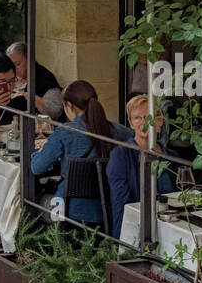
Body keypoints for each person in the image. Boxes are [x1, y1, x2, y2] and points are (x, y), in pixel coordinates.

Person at [30, 80, 133, 226]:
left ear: (69, 106)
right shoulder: (118, 131)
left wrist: (41, 150)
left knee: (33, 202)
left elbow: (36, 167)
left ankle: (50, 244)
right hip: (107, 208)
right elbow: (137, 140)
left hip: (66, 210)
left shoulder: (64, 132)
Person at [107, 95, 178, 238]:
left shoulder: (172, 157)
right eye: (137, 118)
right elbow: (121, 205)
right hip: (137, 230)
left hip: (171, 228)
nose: (143, 122)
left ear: (160, 121)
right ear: (131, 123)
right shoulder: (120, 156)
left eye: (148, 117)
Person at [7, 42, 62, 114]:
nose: (14, 69)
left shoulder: (45, 78)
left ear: (29, 60)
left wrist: (31, 97)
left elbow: (54, 111)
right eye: (10, 65)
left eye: (18, 64)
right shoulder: (8, 75)